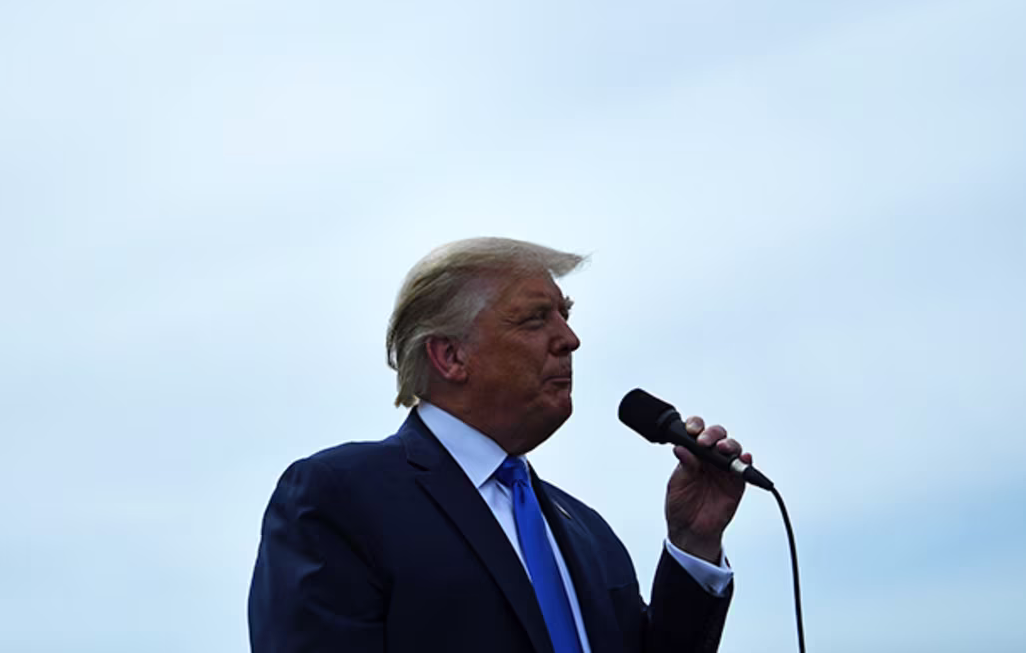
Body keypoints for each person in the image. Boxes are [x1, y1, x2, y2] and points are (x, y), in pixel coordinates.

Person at [248, 238, 752, 653]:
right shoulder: (342, 496)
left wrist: (694, 544)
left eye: (565, 313)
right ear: (450, 356)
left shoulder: (589, 534)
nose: (569, 338)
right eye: (536, 319)